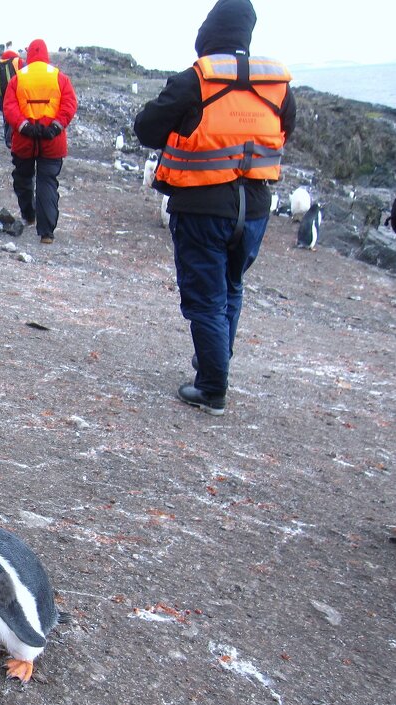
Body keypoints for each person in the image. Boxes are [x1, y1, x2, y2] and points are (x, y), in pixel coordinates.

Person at [133, 0, 295, 416]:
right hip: (255, 206)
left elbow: (147, 128)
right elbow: (285, 130)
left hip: (203, 206)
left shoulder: (197, 80)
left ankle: (211, 387)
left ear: (207, 33)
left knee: (205, 297)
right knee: (232, 287)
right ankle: (215, 358)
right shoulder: (276, 85)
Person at [1, 39, 78, 243]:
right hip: (52, 141)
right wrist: (55, 126)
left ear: (29, 56)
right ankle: (47, 233)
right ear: (46, 55)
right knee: (47, 183)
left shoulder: (18, 79)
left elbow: (9, 106)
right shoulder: (60, 78)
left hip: (24, 140)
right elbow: (69, 105)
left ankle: (29, 214)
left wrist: (24, 125)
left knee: (23, 179)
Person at [0, 46, 22, 148]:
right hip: (16, 94)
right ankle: (11, 140)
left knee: (6, 117)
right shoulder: (18, 61)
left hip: (2, 96)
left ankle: (8, 139)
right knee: (15, 116)